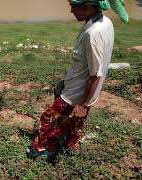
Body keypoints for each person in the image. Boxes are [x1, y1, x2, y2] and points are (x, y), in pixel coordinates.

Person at [27, 0, 128, 159]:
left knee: (49, 119)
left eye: (73, 6)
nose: (71, 11)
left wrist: (81, 104)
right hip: (84, 90)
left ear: (87, 7)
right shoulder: (105, 22)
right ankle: (68, 145)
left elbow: (95, 74)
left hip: (76, 94)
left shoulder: (93, 33)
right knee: (75, 122)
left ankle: (41, 150)